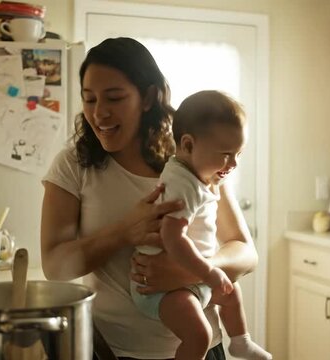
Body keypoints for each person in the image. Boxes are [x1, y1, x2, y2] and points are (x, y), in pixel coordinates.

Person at [40, 37, 259, 360]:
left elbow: (245, 252)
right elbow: (55, 265)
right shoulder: (73, 164)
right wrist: (126, 231)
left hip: (203, 347)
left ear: (148, 97)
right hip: (115, 350)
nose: (99, 113)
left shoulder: (190, 155)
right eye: (89, 99)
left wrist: (195, 270)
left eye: (114, 98)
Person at [131, 90, 272, 360]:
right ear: (187, 145)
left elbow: (245, 252)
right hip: (161, 290)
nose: (233, 164)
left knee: (231, 291)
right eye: (226, 154)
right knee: (199, 334)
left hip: (190, 278)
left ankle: (240, 342)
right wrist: (208, 272)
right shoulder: (182, 185)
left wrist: (210, 274)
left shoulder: (201, 176)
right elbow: (173, 237)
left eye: (238, 154)